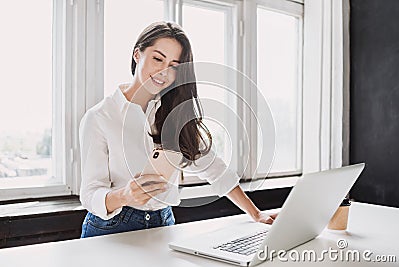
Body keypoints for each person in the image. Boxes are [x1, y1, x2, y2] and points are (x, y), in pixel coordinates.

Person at [79, 21, 276, 238]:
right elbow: (89, 194)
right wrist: (125, 196)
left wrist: (256, 214)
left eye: (173, 66)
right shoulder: (100, 116)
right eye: (157, 59)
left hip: (163, 222)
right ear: (137, 54)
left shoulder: (175, 113)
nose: (164, 72)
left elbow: (215, 169)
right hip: (111, 229)